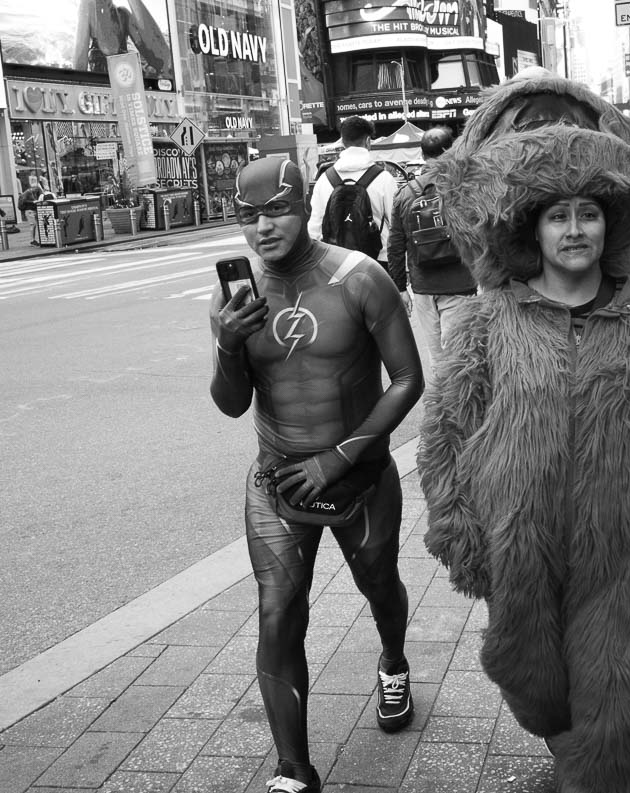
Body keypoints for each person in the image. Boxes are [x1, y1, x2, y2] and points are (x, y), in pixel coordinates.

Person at [420, 121, 630, 793]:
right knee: (540, 687)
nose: (575, 229)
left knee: (625, 708)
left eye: (590, 214)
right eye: (559, 215)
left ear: (612, 224)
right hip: (526, 556)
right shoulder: (487, 326)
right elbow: (447, 437)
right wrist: (463, 535)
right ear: (533, 230)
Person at [209, 158, 424, 793]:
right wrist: (226, 344)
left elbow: (408, 379)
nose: (262, 228)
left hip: (356, 475)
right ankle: (294, 772)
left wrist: (341, 456)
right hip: (276, 480)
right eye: (248, 217)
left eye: (275, 211)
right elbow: (231, 403)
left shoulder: (361, 278)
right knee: (278, 609)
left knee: (380, 586)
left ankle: (392, 662)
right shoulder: (236, 298)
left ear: (304, 205)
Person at [387, 126, 476, 375]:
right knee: (460, 355)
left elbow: (395, 245)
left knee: (437, 359)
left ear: (422, 154)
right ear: (452, 150)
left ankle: (441, 407)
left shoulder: (406, 193)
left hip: (423, 285)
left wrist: (400, 287)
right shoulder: (465, 187)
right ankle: (460, 407)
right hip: (460, 282)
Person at [306, 115, 398, 275]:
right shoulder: (384, 179)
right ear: (368, 141)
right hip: (379, 263)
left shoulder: (325, 179)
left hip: (335, 263)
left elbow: (314, 228)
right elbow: (396, 225)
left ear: (342, 142)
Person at [18, 177, 45, 246]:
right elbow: (24, 201)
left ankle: (33, 240)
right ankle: (32, 240)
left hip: (33, 210)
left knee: (34, 225)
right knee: (33, 224)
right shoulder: (28, 192)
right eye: (36, 189)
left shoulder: (34, 192)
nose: (37, 190)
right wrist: (33, 202)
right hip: (29, 210)